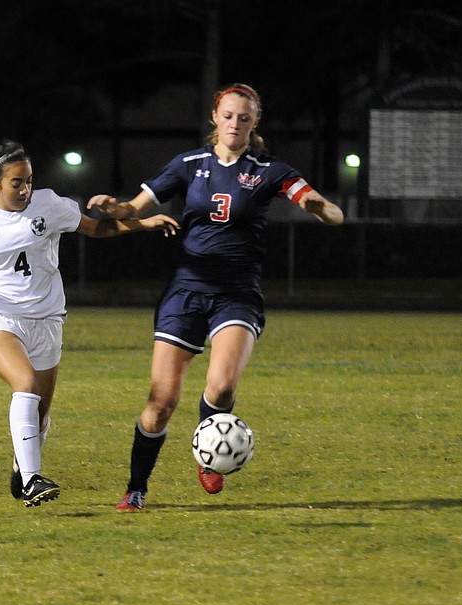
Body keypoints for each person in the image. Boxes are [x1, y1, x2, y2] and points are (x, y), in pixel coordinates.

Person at [87, 83, 344, 512]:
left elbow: (332, 212)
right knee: (160, 404)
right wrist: (115, 209)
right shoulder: (189, 164)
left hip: (237, 293)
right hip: (185, 291)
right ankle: (136, 488)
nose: (235, 124)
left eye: (244, 118)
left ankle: (211, 451)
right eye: (228, 116)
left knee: (222, 386)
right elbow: (134, 207)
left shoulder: (269, 169)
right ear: (215, 117)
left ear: (255, 123)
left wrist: (320, 207)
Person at [0, 139, 179, 507]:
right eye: (16, 182)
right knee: (25, 384)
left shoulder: (49, 204)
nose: (25, 189)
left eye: (28, 180)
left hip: (47, 320)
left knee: (41, 411)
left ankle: (22, 463)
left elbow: (96, 229)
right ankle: (32, 480)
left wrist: (142, 224)